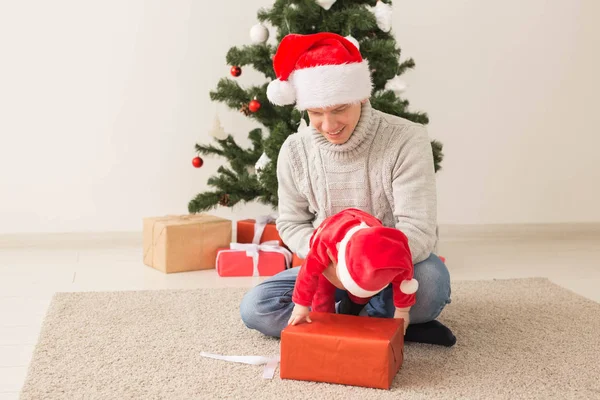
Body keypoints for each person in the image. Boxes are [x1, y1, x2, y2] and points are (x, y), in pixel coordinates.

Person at [240, 32, 456, 347]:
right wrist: (331, 264)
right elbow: (291, 222)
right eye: (316, 113)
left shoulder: (406, 139)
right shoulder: (295, 150)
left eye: (339, 108)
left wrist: (366, 269)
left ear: (362, 96)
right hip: (328, 269)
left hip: (390, 267)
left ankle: (350, 320)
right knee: (256, 307)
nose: (329, 125)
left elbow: (419, 229)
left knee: (432, 284)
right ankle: (382, 323)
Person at [288, 207, 418, 336]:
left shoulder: (393, 256)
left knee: (428, 281)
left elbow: (405, 282)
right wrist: (300, 306)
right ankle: (324, 322)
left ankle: (355, 306)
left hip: (369, 248)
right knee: (321, 295)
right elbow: (308, 274)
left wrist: (402, 312)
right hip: (327, 260)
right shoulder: (325, 242)